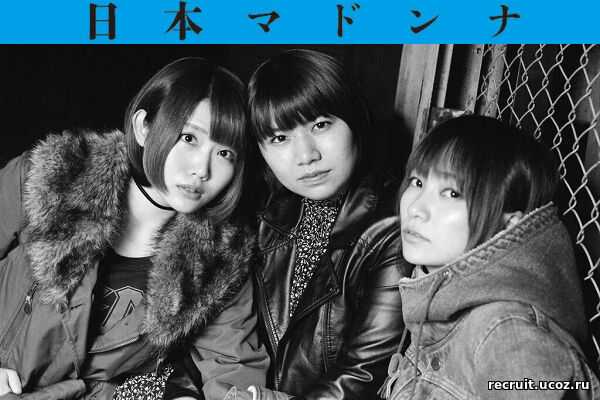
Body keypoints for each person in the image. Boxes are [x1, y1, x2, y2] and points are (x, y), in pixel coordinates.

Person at [0, 57, 268, 400]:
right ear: (143, 127)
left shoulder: (219, 258)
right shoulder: (49, 180)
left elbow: (233, 368)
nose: (202, 169)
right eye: (189, 138)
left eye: (225, 153)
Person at [231, 49, 413, 400]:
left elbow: (363, 375)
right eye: (280, 138)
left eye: (320, 125)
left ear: (354, 120)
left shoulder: (394, 226)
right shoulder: (263, 212)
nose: (306, 156)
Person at [380, 115, 599, 399]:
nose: (415, 209)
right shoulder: (435, 300)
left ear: (508, 225)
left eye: (452, 193)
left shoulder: (505, 331)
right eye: (417, 182)